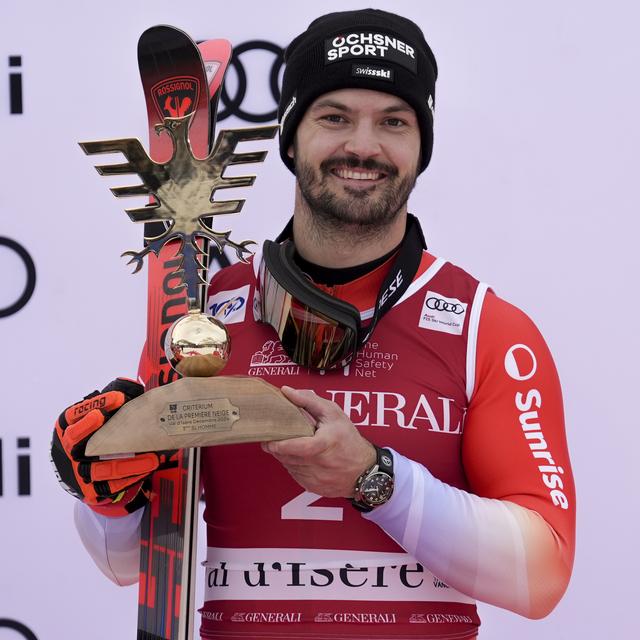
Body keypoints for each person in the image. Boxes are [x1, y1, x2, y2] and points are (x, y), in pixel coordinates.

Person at [51, 9, 575, 640]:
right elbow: (128, 562)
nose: (363, 145)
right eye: (334, 117)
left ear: (421, 149)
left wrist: (375, 480)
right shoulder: (205, 319)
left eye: (394, 122)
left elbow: (542, 575)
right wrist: (105, 489)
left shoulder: (485, 327)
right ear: (293, 138)